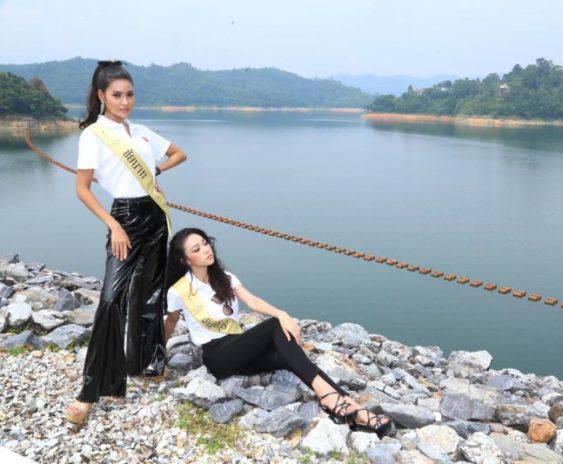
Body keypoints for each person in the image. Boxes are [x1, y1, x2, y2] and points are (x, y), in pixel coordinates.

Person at [163, 228, 395, 438]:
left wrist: (280, 314)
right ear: (185, 260)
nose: (206, 250)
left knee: (291, 356)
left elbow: (252, 301)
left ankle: (355, 412)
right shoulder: (179, 291)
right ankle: (331, 400)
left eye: (205, 243)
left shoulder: (225, 278)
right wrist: (156, 355)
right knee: (276, 325)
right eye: (196, 249)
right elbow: (170, 322)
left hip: (239, 348)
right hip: (218, 357)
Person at [65, 60, 188, 425]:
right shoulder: (94, 135)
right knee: (110, 300)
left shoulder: (143, 132)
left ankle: (148, 364)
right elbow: (82, 189)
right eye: (117, 95)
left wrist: (154, 171)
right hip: (125, 219)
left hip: (155, 217)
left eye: (130, 94)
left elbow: (180, 154)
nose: (125, 102)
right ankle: (91, 390)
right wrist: (114, 226)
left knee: (150, 294)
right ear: (102, 96)